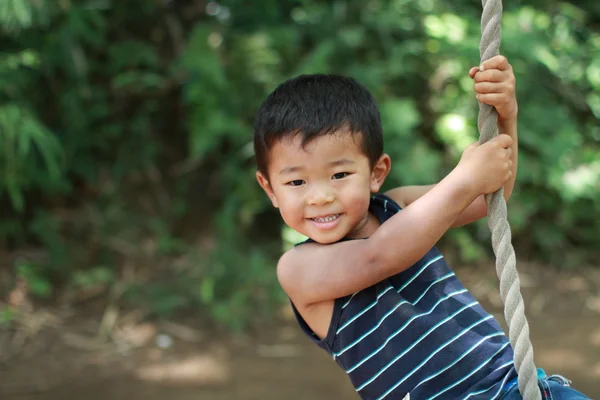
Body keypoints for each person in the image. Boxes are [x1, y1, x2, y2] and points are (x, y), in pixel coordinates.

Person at [253, 55, 589, 399]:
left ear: (376, 173)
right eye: (296, 182)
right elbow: (378, 255)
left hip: (515, 385)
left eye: (339, 175)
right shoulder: (297, 269)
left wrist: (506, 119)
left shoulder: (397, 207)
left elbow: (488, 196)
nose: (320, 197)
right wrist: (464, 177)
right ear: (270, 189)